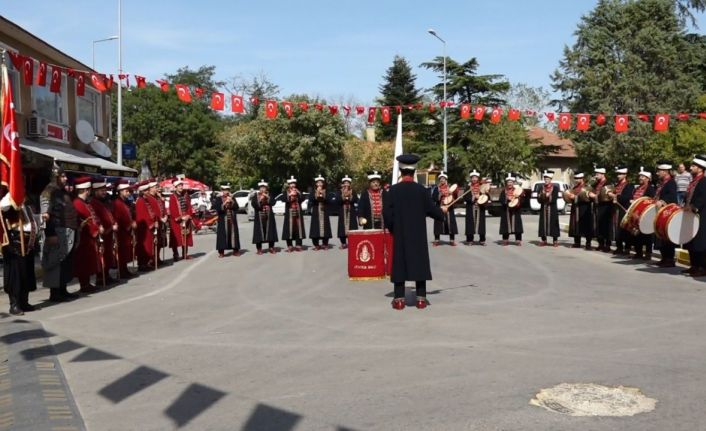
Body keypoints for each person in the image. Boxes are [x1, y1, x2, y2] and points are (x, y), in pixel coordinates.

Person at [383, 154, 445, 310]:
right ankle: (421, 299)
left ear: (401, 171)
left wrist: (392, 228)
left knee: (400, 263)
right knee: (419, 262)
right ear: (414, 171)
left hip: (401, 233)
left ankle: (399, 300)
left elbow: (387, 214)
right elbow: (432, 210)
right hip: (417, 235)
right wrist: (441, 212)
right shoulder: (422, 191)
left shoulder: (393, 191)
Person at [40, 164, 79, 302]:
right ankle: (55, 293)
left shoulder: (62, 192)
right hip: (56, 232)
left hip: (67, 232)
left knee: (65, 263)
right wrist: (50, 233)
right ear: (55, 177)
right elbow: (45, 215)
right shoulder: (48, 192)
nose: (65, 178)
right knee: (55, 262)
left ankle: (63, 289)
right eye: (62, 176)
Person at [1, 193, 39, 315]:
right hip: (16, 243)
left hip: (28, 242)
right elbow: (2, 207)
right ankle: (14, 304)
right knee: (15, 275)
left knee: (26, 273)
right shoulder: (8, 202)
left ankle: (24, 301)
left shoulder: (26, 204)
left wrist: (41, 218)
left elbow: (29, 220)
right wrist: (12, 195)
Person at [72, 176, 102, 293]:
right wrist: (96, 230)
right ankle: (84, 284)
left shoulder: (85, 203)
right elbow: (85, 222)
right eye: (89, 189)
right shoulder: (78, 204)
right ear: (86, 190)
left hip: (89, 238)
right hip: (84, 237)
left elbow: (93, 217)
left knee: (88, 261)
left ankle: (87, 283)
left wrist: (99, 225)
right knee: (83, 261)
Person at [89, 178, 118, 285]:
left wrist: (113, 223)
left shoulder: (104, 202)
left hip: (109, 233)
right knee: (102, 256)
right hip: (102, 233)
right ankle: (100, 277)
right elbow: (95, 218)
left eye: (105, 190)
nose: (104, 192)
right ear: (95, 191)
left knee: (108, 255)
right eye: (102, 190)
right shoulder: (93, 203)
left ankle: (106, 274)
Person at [683, 155, 706, 276]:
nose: (691, 168)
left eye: (693, 166)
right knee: (690, 241)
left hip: (700, 215)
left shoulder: (703, 181)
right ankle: (694, 265)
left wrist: (693, 207)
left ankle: (702, 267)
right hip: (690, 215)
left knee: (699, 242)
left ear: (701, 168)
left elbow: (702, 197)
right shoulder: (693, 181)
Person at [653, 161, 678, 267]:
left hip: (667, 213)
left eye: (659, 171)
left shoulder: (671, 182)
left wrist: (663, 201)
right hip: (660, 212)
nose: (658, 173)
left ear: (665, 171)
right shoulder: (662, 183)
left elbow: (672, 197)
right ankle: (664, 258)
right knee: (661, 236)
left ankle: (669, 259)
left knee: (667, 237)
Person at [112, 179, 136, 278]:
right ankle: (121, 270)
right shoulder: (117, 202)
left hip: (127, 231)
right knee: (121, 251)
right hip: (121, 231)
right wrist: (129, 225)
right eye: (126, 191)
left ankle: (124, 269)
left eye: (129, 191)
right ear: (120, 191)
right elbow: (118, 217)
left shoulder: (125, 202)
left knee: (125, 251)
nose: (128, 193)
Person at [630, 168, 656, 260]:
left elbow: (651, 201)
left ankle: (648, 253)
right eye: (640, 176)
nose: (640, 178)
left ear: (648, 179)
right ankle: (638, 252)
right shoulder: (637, 188)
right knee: (636, 234)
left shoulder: (651, 189)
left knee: (647, 234)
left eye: (643, 177)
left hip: (645, 214)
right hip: (635, 214)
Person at [608, 166, 634, 255]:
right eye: (618, 174)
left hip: (623, 210)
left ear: (625, 175)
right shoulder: (616, 185)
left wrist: (615, 196)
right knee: (617, 228)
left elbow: (627, 197)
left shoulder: (629, 185)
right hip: (616, 210)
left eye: (620, 174)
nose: (618, 176)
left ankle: (627, 248)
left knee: (625, 229)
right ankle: (619, 247)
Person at [134, 181, 160, 270]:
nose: (148, 192)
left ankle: (146, 262)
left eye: (148, 190)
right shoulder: (140, 201)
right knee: (144, 246)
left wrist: (155, 220)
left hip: (150, 227)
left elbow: (152, 212)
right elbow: (143, 216)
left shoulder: (146, 200)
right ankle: (142, 264)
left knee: (149, 246)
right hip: (144, 228)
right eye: (146, 190)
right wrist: (152, 224)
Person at [168, 179, 195, 261]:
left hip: (186, 218)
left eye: (181, 185)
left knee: (186, 236)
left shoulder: (186, 195)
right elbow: (172, 209)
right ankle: (175, 254)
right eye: (179, 186)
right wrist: (180, 217)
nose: (181, 187)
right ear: (175, 187)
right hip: (177, 220)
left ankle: (185, 254)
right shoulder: (172, 197)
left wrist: (188, 215)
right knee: (175, 238)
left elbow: (189, 207)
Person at [212, 185, 241, 257]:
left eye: (227, 190)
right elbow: (218, 209)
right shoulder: (218, 198)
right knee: (222, 235)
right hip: (223, 219)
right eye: (224, 190)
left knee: (233, 234)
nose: (226, 191)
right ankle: (221, 252)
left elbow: (237, 207)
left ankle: (235, 250)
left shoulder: (232, 198)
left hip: (232, 219)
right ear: (222, 191)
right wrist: (225, 203)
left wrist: (232, 201)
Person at [431, 172, 459, 246]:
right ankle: (437, 240)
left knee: (451, 223)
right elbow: (433, 198)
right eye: (441, 179)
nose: (442, 180)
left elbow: (455, 197)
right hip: (440, 207)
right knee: (438, 223)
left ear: (446, 180)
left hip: (449, 208)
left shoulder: (450, 187)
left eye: (443, 179)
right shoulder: (437, 188)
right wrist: (439, 195)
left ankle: (452, 240)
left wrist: (453, 193)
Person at [251, 180, 278, 254]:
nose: (262, 189)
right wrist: (260, 200)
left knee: (271, 231)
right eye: (261, 187)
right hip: (259, 217)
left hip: (269, 216)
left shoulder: (269, 194)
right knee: (259, 232)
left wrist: (267, 197)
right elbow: (254, 205)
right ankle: (259, 249)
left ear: (266, 188)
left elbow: (273, 203)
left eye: (264, 187)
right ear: (259, 188)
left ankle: (271, 247)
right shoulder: (255, 196)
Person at [280, 176, 306, 252]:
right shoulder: (286, 192)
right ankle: (290, 245)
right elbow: (283, 199)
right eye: (291, 184)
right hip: (289, 214)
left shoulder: (298, 191)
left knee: (298, 229)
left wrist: (298, 193)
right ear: (289, 185)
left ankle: (298, 245)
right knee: (289, 230)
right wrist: (290, 194)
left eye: (294, 183)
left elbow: (303, 198)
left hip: (298, 213)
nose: (293, 185)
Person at [569, 173, 593, 249]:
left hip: (584, 208)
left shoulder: (587, 187)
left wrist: (575, 197)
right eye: (575, 179)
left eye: (577, 179)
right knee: (575, 224)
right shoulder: (574, 188)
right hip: (575, 207)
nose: (576, 180)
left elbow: (587, 198)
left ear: (582, 179)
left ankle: (588, 243)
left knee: (586, 225)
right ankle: (577, 242)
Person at [309, 175, 333, 250]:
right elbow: (311, 200)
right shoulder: (313, 191)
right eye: (318, 182)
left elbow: (329, 200)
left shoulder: (326, 191)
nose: (319, 184)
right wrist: (317, 194)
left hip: (324, 211)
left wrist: (323, 195)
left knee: (325, 228)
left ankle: (325, 244)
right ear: (316, 184)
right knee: (315, 228)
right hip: (316, 212)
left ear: (323, 183)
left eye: (321, 182)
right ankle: (316, 245)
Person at [590, 167, 612, 252]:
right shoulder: (596, 183)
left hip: (605, 206)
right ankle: (601, 243)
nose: (596, 176)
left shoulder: (607, 183)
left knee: (605, 226)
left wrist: (596, 196)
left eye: (597, 174)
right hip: (597, 205)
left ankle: (607, 244)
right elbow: (590, 190)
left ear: (602, 174)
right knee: (598, 225)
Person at [499, 173, 523, 245]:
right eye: (508, 182)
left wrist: (517, 200)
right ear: (506, 183)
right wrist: (507, 199)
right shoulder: (504, 191)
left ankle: (518, 239)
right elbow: (501, 199)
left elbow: (522, 200)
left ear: (513, 182)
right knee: (505, 224)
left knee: (517, 224)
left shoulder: (517, 190)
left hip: (516, 210)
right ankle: (505, 239)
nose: (509, 183)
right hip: (506, 210)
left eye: (511, 182)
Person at [334, 175, 358, 249]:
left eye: (348, 182)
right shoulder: (339, 191)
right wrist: (343, 197)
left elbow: (356, 199)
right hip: (342, 210)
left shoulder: (353, 191)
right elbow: (337, 200)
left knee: (352, 226)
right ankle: (343, 243)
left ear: (350, 184)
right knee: (342, 227)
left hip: (351, 211)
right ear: (343, 183)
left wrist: (350, 197)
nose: (346, 184)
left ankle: (352, 242)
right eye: (345, 182)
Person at [464, 170, 487, 245]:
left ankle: (482, 240)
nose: (474, 179)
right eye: (473, 177)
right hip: (471, 207)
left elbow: (487, 196)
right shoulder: (468, 187)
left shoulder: (482, 186)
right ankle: (470, 240)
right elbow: (465, 197)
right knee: (470, 223)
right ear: (471, 178)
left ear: (478, 178)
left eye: (476, 177)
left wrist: (480, 197)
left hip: (480, 207)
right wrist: (472, 197)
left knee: (481, 224)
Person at [537, 170, 560, 247]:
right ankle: (544, 240)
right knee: (543, 224)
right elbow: (538, 199)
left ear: (550, 179)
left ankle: (555, 240)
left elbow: (554, 199)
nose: (546, 180)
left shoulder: (555, 188)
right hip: (543, 208)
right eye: (545, 179)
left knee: (553, 224)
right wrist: (541, 197)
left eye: (547, 179)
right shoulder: (541, 187)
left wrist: (548, 196)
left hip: (552, 208)